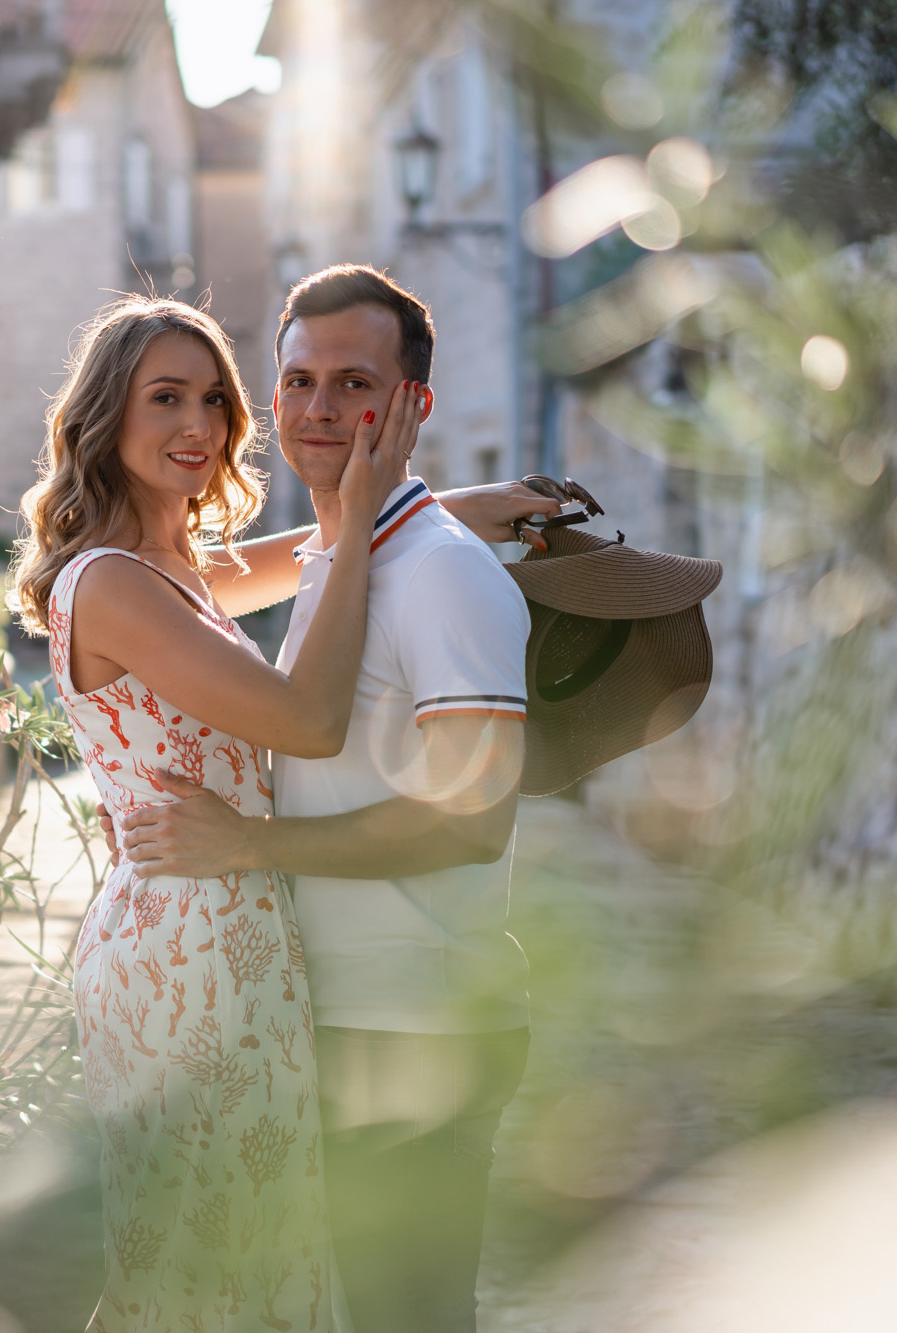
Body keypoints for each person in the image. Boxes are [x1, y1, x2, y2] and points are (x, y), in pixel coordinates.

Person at [116, 266, 536, 1333]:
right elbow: (199, 590)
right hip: (333, 1016)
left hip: (415, 1020)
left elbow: (469, 813)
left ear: (411, 406)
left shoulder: (438, 573)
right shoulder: (343, 563)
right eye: (296, 381)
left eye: (352, 383)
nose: (314, 411)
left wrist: (250, 846)